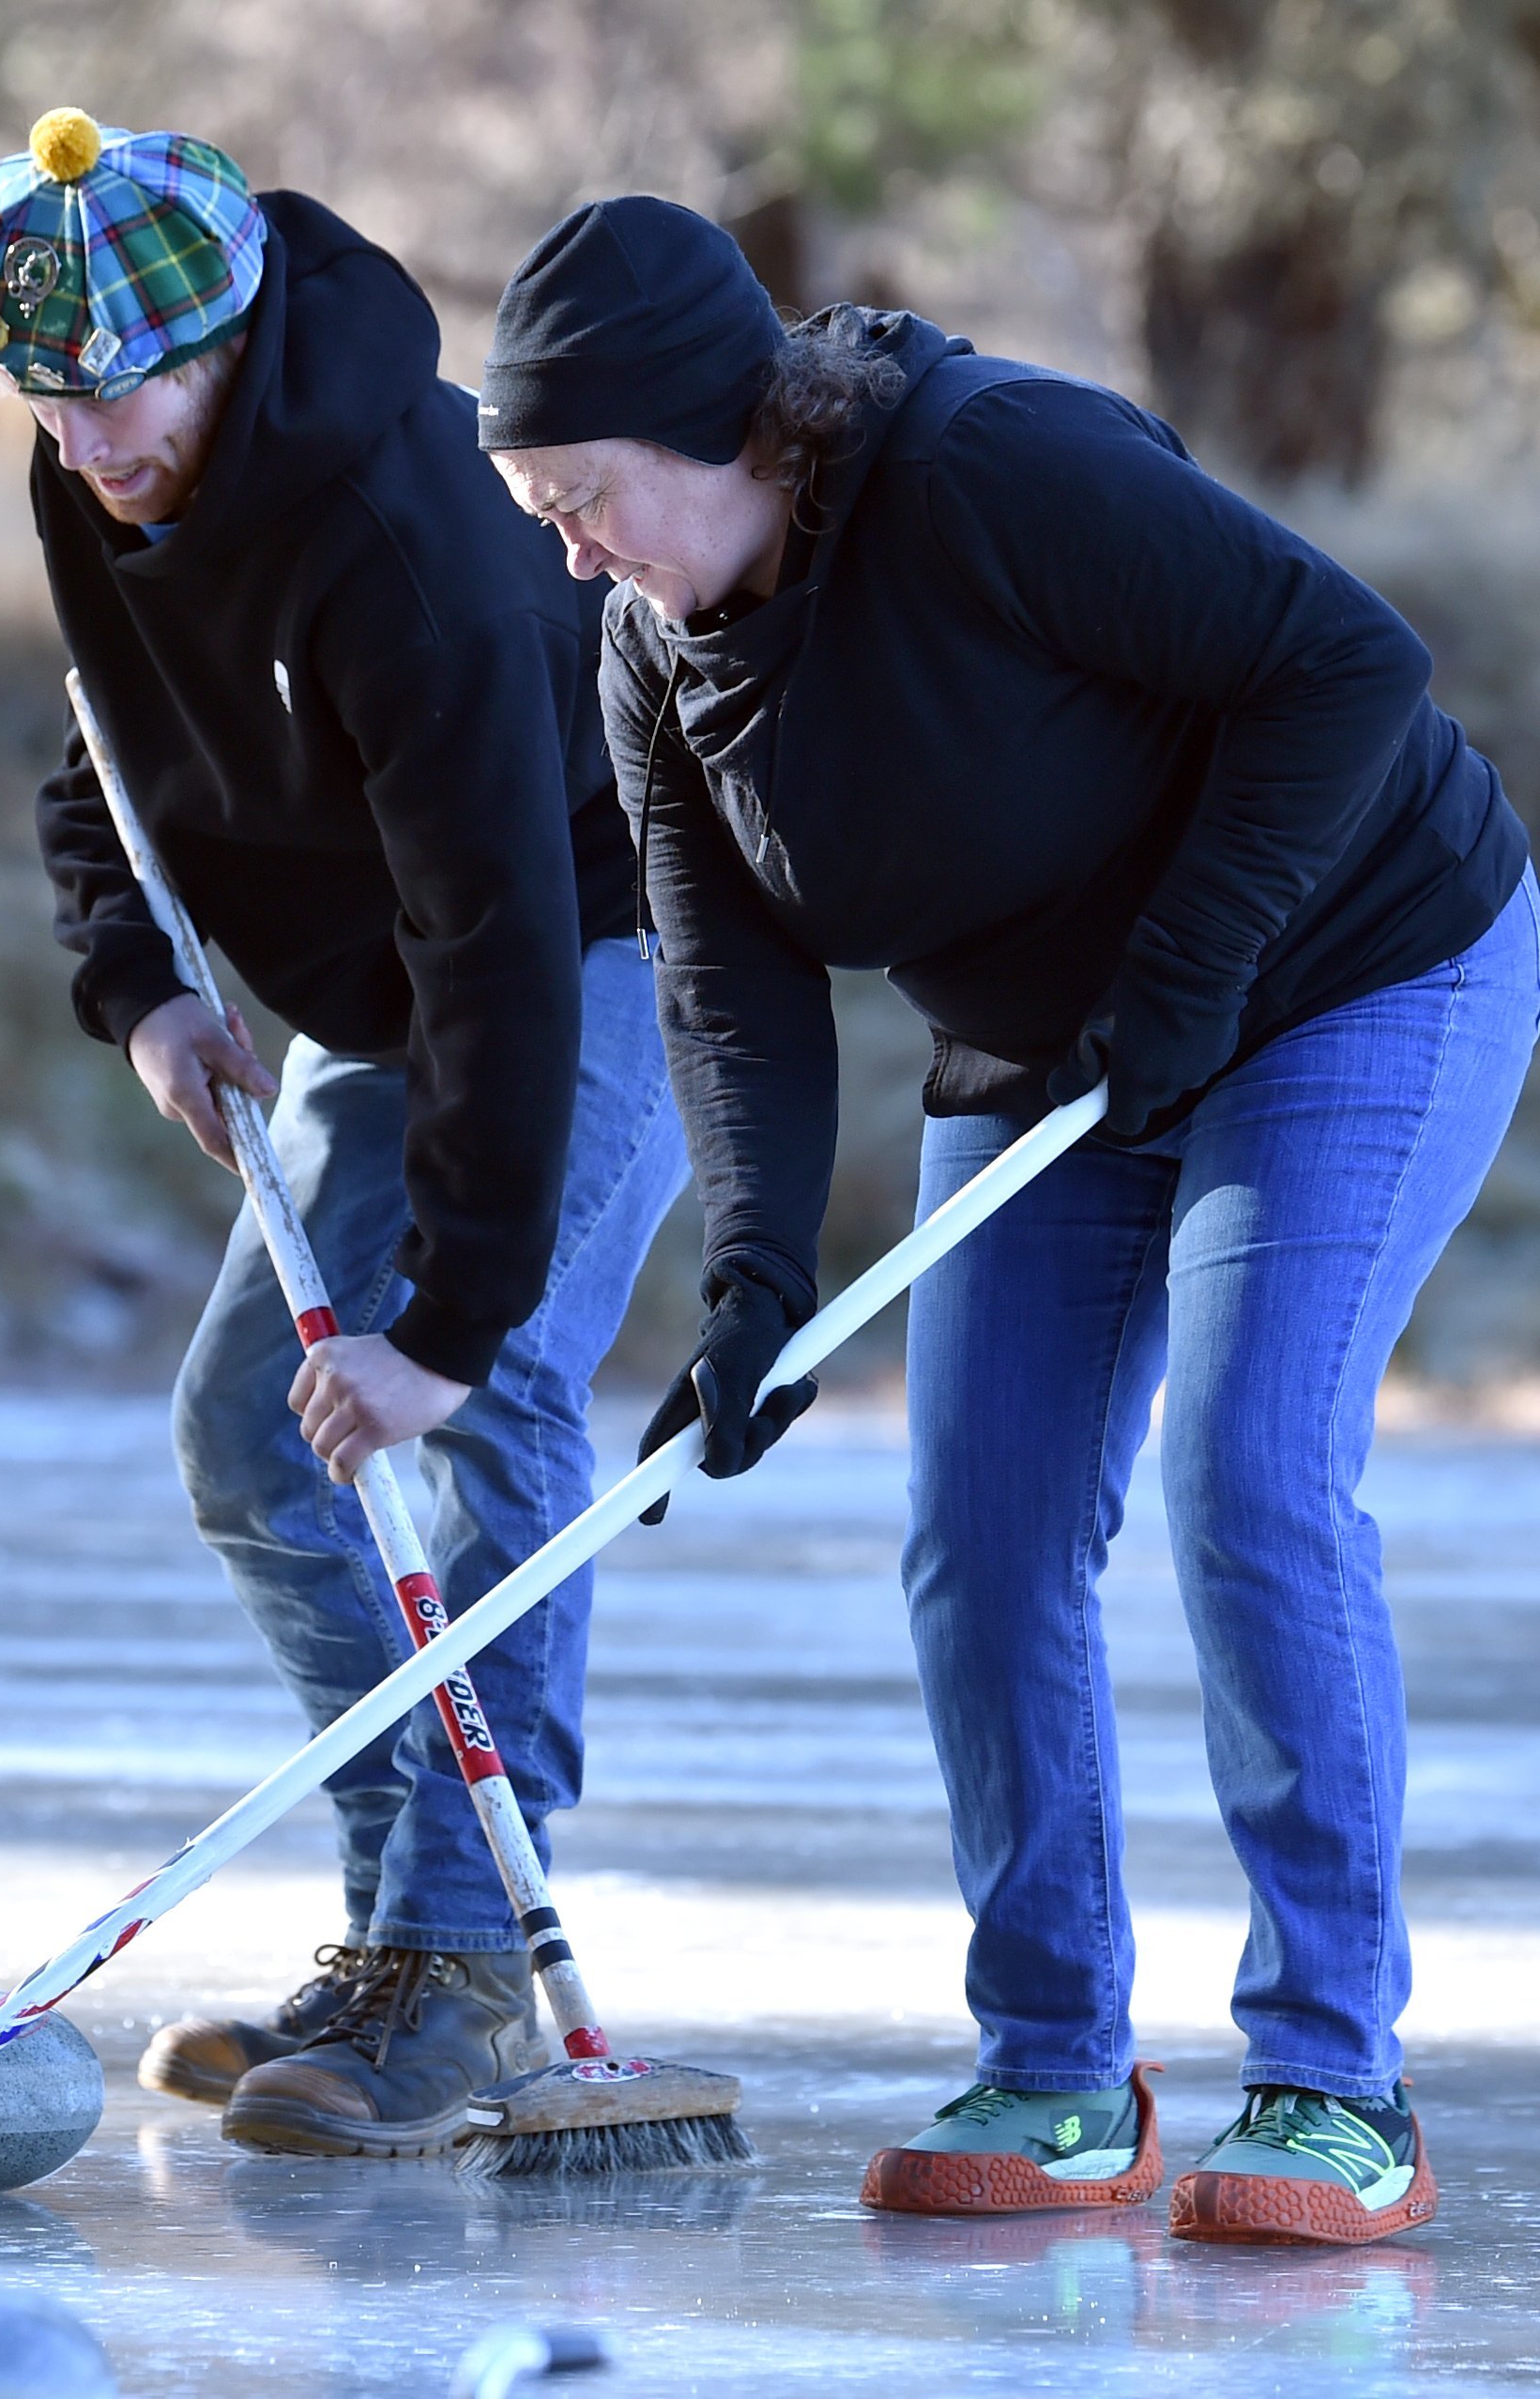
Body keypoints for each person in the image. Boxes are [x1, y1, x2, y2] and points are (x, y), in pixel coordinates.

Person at [478, 194, 1537, 2242]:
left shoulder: (988, 470)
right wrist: (760, 1276)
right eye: (542, 510)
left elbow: (1343, 663)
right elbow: (732, 987)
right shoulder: (652, 648)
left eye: (590, 497)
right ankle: (1058, 2065)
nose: (575, 549)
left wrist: (1200, 969)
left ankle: (1336, 2080)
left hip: (1351, 973)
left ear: (728, 429)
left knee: (1253, 1480)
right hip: (1059, 1057)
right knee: (980, 1526)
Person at [0, 116, 684, 2157]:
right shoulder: (108, 476)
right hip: (386, 982)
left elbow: (504, 939)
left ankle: (466, 1967)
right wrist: (141, 981)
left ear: (228, 338)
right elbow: (108, 747)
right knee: (253, 1431)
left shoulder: (399, 530)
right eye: (46, 402)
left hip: (605, 942)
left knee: (487, 1396)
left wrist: (439, 1324)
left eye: (117, 394)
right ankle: (397, 1931)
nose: (86, 445)